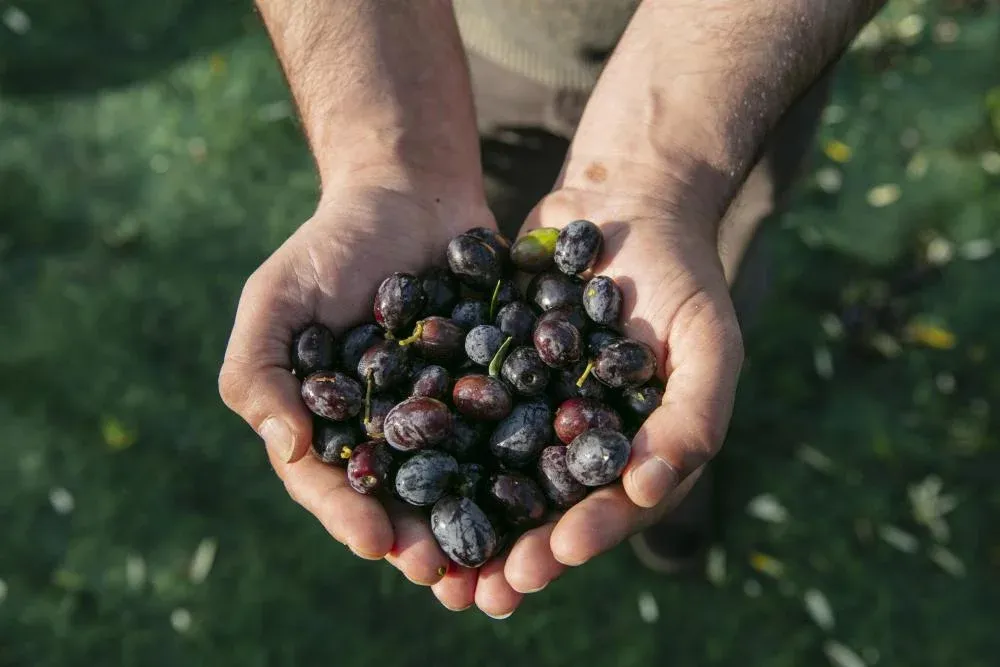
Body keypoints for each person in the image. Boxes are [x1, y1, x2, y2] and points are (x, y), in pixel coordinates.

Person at [218, 0, 885, 618]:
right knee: (496, 245)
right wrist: (384, 161)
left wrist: (662, 181)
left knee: (701, 321)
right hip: (461, 48)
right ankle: (667, 474)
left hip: (739, 66)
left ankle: (678, 477)